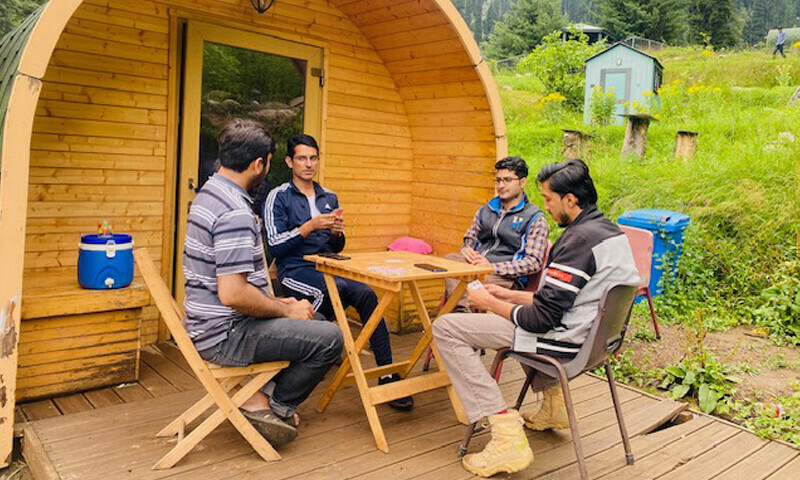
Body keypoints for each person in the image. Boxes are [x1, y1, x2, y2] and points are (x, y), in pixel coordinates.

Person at [432, 159, 640, 477]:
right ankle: (555, 407)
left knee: (446, 328)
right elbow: (564, 300)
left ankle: (505, 435)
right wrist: (509, 296)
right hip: (596, 343)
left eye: (548, 199)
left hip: (561, 343)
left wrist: (488, 301)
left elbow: (540, 319)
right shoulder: (610, 233)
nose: (546, 206)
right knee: (497, 309)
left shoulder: (576, 242)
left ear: (570, 200)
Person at [183, 119, 343, 447]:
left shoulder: (208, 193)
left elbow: (232, 289)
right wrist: (284, 312)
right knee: (331, 339)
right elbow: (233, 294)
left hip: (208, 321)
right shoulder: (234, 213)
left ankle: (258, 398)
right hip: (226, 333)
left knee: (318, 318)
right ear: (259, 164)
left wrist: (282, 304)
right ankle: (273, 405)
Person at [263, 133, 413, 411]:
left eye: (313, 158)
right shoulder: (278, 196)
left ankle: (387, 374)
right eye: (301, 158)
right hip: (295, 268)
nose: (308, 164)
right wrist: (309, 226)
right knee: (324, 294)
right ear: (289, 161)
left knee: (368, 294)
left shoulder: (328, 196)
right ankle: (290, 375)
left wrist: (336, 233)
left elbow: (336, 244)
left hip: (330, 264)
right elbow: (274, 245)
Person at [443, 156, 548, 312]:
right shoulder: (485, 210)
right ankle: (463, 311)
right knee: (450, 261)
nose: (501, 185)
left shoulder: (535, 218)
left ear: (522, 182)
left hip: (504, 275)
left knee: (468, 281)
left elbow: (533, 262)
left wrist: (492, 267)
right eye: (498, 180)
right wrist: (467, 249)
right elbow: (471, 237)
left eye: (507, 180)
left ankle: (461, 313)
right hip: (475, 267)